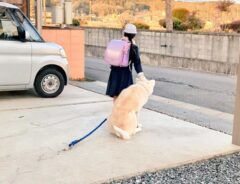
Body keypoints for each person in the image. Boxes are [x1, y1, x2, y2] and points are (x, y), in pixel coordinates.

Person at [106, 23, 146, 102]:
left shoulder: (117, 43)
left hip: (114, 72)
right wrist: (141, 75)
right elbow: (137, 62)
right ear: (133, 35)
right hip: (125, 73)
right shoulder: (133, 47)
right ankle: (122, 113)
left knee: (116, 96)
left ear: (124, 33)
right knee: (125, 97)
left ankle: (116, 112)